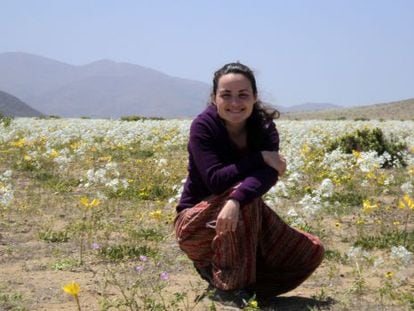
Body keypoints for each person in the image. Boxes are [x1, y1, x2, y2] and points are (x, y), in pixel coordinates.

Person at [174, 62, 324, 309]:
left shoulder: (264, 127)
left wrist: (235, 199)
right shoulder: (203, 126)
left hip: (242, 215)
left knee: (310, 252)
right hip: (195, 226)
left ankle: (239, 283)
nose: (235, 102)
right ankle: (229, 289)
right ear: (214, 98)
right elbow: (215, 179)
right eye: (226, 95)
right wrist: (260, 158)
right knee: (246, 199)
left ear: (255, 97)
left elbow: (268, 176)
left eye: (243, 95)